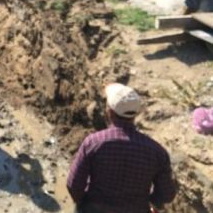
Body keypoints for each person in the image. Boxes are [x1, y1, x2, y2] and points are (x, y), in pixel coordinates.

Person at [67, 83, 177, 213]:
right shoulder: (156, 152)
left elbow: (73, 185)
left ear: (109, 112)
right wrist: (153, 203)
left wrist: (83, 203)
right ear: (135, 114)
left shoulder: (93, 143)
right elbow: (167, 193)